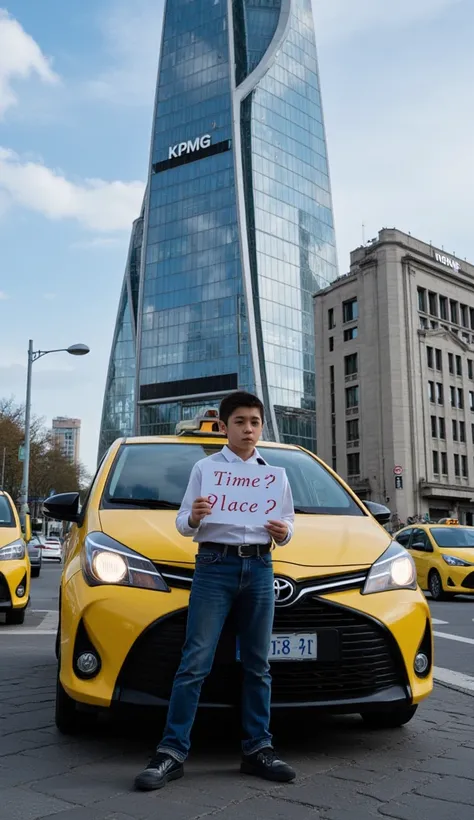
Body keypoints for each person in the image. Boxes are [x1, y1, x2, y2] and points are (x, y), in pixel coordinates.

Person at [134, 391, 296, 791]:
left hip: (260, 566)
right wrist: (194, 515)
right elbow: (183, 524)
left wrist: (283, 532)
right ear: (224, 427)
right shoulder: (206, 469)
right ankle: (171, 751)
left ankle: (258, 748)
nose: (248, 429)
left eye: (255, 422)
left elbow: (288, 524)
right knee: (195, 662)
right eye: (240, 422)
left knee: (258, 664)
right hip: (213, 565)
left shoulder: (273, 475)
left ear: (262, 427)